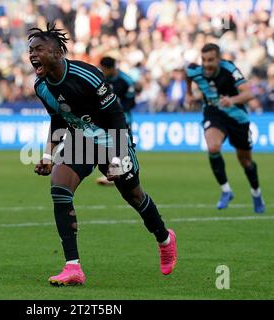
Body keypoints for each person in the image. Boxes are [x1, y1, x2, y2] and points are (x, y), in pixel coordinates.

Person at [29, 23, 177, 286]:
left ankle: (164, 239)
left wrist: (118, 156)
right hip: (80, 140)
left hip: (111, 137)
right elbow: (58, 121)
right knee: (59, 188)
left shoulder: (86, 75)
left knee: (133, 195)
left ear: (56, 52)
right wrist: (49, 156)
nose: (32, 55)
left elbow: (115, 115)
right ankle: (72, 267)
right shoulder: (41, 86)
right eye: (30, 51)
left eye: (38, 49)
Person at [185, 43, 265, 213]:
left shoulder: (229, 69)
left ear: (219, 59)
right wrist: (189, 94)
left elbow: (249, 93)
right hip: (214, 113)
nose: (207, 64)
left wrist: (232, 100)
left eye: (211, 60)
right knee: (213, 147)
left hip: (237, 116)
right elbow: (188, 75)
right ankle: (226, 191)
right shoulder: (195, 70)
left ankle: (256, 193)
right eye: (204, 60)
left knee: (245, 161)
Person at [96, 56, 136, 186]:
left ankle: (123, 172)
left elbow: (131, 102)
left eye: (104, 69)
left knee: (122, 144)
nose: (102, 71)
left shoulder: (126, 81)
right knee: (106, 145)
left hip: (123, 118)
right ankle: (113, 172)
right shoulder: (99, 78)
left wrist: (116, 111)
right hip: (104, 119)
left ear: (111, 68)